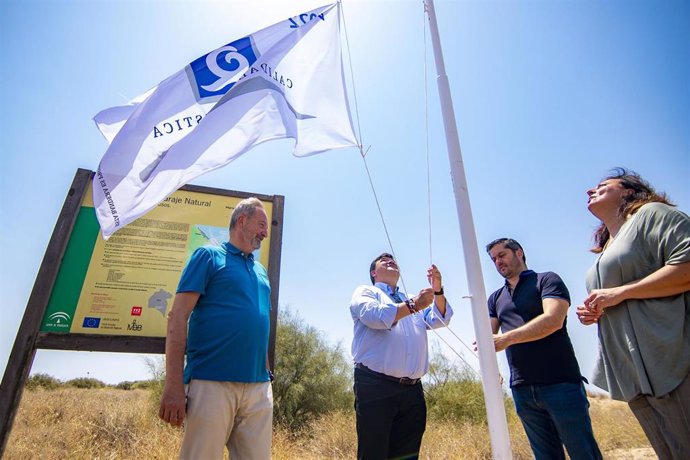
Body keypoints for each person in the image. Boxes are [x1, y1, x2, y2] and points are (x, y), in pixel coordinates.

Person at [576, 168, 690, 459]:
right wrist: (595, 312)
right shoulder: (607, 247)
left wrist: (620, 293)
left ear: (628, 191)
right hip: (634, 374)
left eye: (603, 185)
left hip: (672, 360)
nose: (591, 190)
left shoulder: (654, 214)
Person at [159, 197, 273, 460]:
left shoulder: (261, 270)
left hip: (258, 388)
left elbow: (259, 322)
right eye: (261, 224)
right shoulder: (208, 256)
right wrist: (174, 386)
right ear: (241, 221)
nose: (265, 232)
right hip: (212, 382)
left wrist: (267, 373)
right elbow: (177, 317)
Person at [485, 238, 602, 460]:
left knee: (583, 453)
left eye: (502, 255)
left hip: (560, 384)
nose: (498, 262)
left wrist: (506, 339)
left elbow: (553, 320)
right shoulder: (495, 298)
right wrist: (489, 364)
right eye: (493, 259)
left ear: (519, 252)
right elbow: (487, 339)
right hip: (522, 389)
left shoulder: (546, 280)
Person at [350, 253, 452, 459]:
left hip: (412, 391)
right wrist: (414, 304)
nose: (390, 260)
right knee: (374, 453)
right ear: (373, 272)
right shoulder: (366, 292)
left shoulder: (411, 299)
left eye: (392, 259)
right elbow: (375, 317)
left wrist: (437, 289)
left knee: (407, 455)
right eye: (383, 260)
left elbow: (440, 319)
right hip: (375, 387)